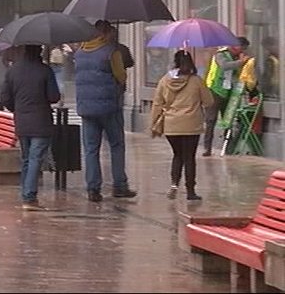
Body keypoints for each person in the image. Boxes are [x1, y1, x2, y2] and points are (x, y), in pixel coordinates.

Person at [75, 22, 137, 202]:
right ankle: (120, 185)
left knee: (91, 149)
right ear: (106, 33)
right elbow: (121, 76)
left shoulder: (79, 52)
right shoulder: (111, 51)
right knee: (116, 145)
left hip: (86, 108)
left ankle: (93, 188)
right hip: (109, 107)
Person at [0, 44, 61, 210]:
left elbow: (5, 97)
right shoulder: (44, 70)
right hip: (41, 121)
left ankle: (25, 193)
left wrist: (16, 108)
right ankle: (29, 197)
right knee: (35, 159)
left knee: (26, 158)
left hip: (22, 122)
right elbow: (54, 96)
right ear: (39, 51)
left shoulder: (13, 71)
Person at [151, 50, 213, 201]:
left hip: (171, 125)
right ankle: (190, 191)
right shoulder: (196, 81)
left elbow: (157, 103)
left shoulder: (165, 80)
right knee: (189, 157)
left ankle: (174, 185)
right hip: (191, 125)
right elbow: (209, 102)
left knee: (177, 155)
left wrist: (154, 123)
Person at [202, 37, 250, 156]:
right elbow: (225, 66)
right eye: (242, 48)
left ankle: (228, 146)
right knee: (211, 120)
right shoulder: (221, 55)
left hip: (229, 92)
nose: (242, 51)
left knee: (228, 119)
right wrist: (241, 62)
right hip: (214, 91)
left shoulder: (237, 57)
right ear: (235, 46)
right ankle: (207, 148)